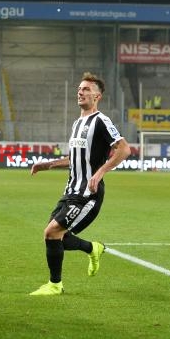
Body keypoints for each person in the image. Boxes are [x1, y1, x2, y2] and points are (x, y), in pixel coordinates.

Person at [29, 72, 131, 296]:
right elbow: (75, 158)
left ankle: (55, 285)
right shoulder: (77, 123)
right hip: (70, 191)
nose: (80, 91)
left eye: (86, 89)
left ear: (97, 96)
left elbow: (124, 149)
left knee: (53, 231)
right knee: (54, 237)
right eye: (79, 88)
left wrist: (100, 172)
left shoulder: (101, 121)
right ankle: (93, 248)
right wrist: (47, 165)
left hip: (88, 194)